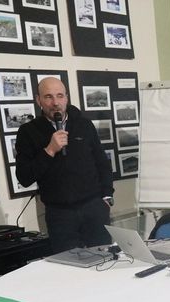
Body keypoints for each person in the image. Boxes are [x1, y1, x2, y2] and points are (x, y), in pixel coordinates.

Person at [16, 77, 114, 253]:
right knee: (68, 265)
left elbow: (102, 162)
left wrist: (107, 196)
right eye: (48, 97)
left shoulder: (84, 125)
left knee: (105, 261)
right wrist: (49, 150)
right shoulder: (28, 132)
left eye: (60, 96)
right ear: (38, 100)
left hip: (93, 208)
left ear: (66, 98)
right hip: (60, 214)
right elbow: (24, 177)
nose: (55, 102)